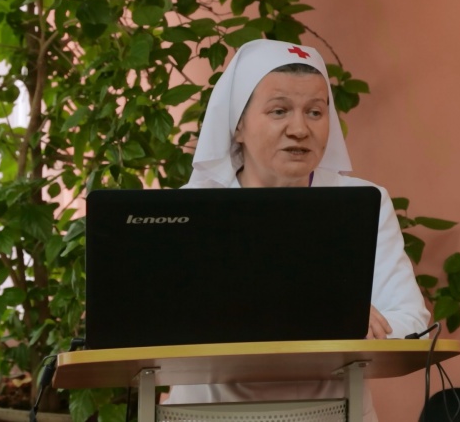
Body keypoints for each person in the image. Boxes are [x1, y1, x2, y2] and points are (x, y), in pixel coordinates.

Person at [164, 39, 430, 421]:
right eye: (279, 111)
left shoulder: (362, 201)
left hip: (335, 414)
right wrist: (324, 315)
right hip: (207, 414)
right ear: (237, 125)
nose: (300, 129)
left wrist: (350, 321)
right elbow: (161, 327)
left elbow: (413, 323)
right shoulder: (189, 210)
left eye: (315, 112)